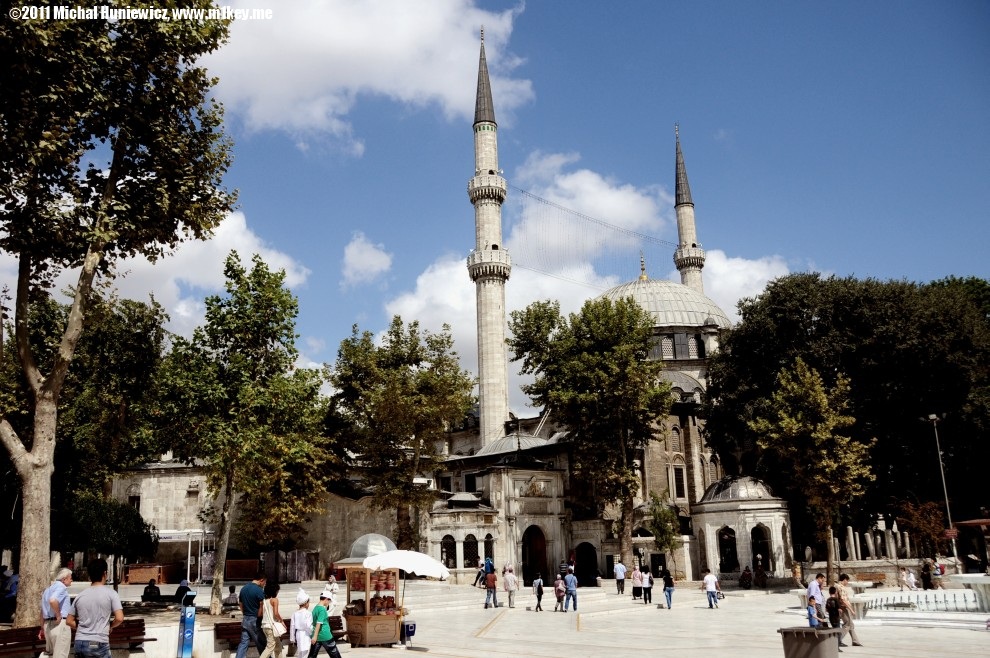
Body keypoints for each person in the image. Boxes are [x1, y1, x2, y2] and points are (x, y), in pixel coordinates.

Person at [67, 559, 124, 658]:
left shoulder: (80, 596)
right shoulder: (111, 594)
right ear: (105, 573)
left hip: (80, 641)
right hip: (98, 641)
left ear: (90, 575)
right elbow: (119, 618)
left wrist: (85, 627)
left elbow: (69, 621)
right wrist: (110, 626)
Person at [40, 568, 73, 658]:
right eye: (70, 578)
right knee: (60, 655)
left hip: (47, 624)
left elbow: (42, 611)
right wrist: (58, 615)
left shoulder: (47, 590)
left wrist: (42, 628)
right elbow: (53, 600)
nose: (71, 580)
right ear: (64, 579)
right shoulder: (61, 587)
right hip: (59, 624)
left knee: (50, 654)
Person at [237, 571, 268, 658]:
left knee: (243, 643)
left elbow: (240, 604)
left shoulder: (243, 589)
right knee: (261, 642)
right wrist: (259, 615)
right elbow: (261, 606)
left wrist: (245, 613)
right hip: (255, 619)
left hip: (245, 619)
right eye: (265, 582)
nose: (264, 584)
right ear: (261, 580)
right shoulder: (259, 590)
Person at [309, 590, 340, 658]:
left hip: (317, 637)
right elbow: (318, 623)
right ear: (326, 599)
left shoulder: (315, 608)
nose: (329, 602)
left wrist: (314, 636)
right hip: (325, 635)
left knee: (312, 656)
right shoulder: (322, 609)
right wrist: (315, 636)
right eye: (329, 601)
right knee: (335, 656)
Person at [258, 582, 284, 658]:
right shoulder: (274, 600)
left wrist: (261, 605)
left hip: (265, 626)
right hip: (271, 626)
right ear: (275, 591)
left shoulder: (264, 601)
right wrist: (281, 621)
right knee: (270, 647)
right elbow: (276, 613)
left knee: (278, 646)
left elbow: (260, 614)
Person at [836, 574, 863, 647]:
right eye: (847, 580)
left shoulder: (838, 586)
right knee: (847, 624)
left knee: (850, 624)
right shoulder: (840, 587)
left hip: (844, 607)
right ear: (844, 579)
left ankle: (855, 641)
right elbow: (843, 600)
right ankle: (837, 640)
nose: (847, 582)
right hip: (843, 608)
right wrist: (851, 610)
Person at [290, 589, 312, 658]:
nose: (309, 604)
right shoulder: (308, 613)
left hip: (298, 635)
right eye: (308, 602)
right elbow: (308, 626)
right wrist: (312, 634)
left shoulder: (295, 613)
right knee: (306, 653)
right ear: (305, 603)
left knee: (300, 652)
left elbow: (292, 626)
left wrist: (292, 638)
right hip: (305, 635)